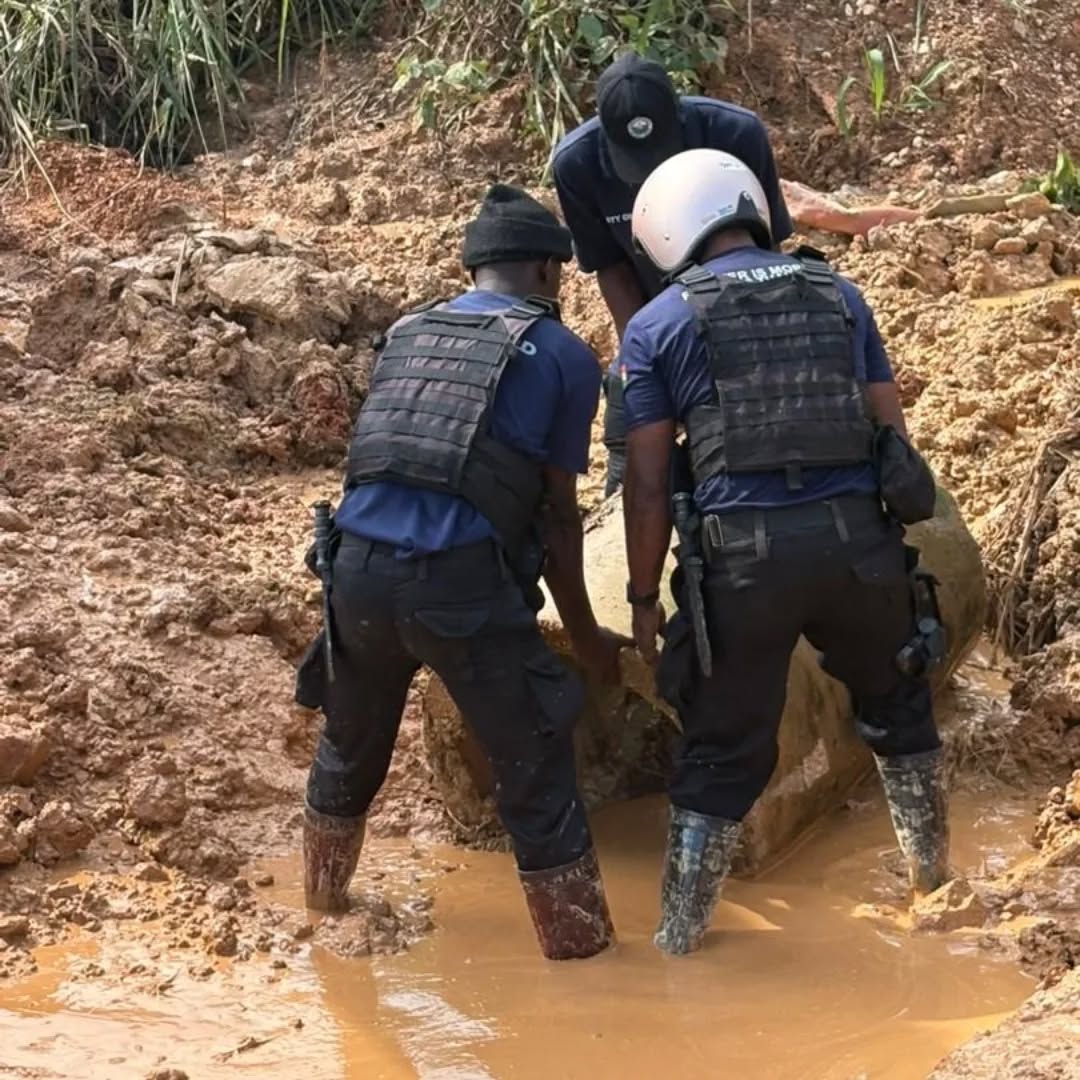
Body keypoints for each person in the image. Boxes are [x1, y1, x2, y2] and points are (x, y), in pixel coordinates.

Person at [619, 148, 949, 956]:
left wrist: (638, 599)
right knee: (899, 708)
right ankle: (935, 893)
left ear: (666, 234)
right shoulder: (839, 293)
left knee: (722, 749)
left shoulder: (658, 326)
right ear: (745, 207)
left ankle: (677, 945)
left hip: (745, 566)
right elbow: (891, 436)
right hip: (859, 548)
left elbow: (648, 484)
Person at [297, 184, 626, 961]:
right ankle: (585, 973)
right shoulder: (565, 356)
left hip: (355, 575)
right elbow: (554, 516)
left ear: (474, 267)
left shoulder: (410, 331)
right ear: (551, 270)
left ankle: (320, 910)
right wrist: (585, 635)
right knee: (535, 763)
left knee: (351, 745)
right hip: (458, 586)